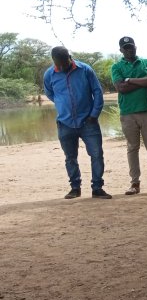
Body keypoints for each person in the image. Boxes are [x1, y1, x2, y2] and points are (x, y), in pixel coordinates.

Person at [44, 46, 112, 200]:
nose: (61, 67)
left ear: (70, 57)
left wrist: (94, 114)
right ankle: (75, 188)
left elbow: (97, 91)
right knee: (70, 157)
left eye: (64, 63)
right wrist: (62, 104)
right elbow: (50, 93)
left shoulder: (85, 70)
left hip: (89, 121)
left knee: (96, 155)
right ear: (54, 61)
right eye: (57, 64)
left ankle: (97, 188)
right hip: (65, 123)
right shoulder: (49, 74)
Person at [111, 36, 147, 195]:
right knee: (132, 148)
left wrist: (129, 80)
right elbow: (121, 88)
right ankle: (135, 183)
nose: (129, 50)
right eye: (126, 48)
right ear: (121, 50)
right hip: (128, 113)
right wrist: (143, 82)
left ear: (136, 47)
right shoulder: (116, 67)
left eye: (131, 47)